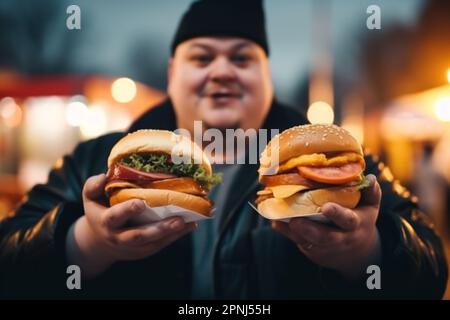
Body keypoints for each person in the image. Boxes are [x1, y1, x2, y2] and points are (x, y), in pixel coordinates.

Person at [0, 0, 447, 299]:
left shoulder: (338, 158)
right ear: (173, 72)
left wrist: (366, 252)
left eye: (242, 58)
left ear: (267, 77)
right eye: (201, 57)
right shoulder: (97, 160)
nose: (222, 72)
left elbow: (430, 270)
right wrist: (88, 244)